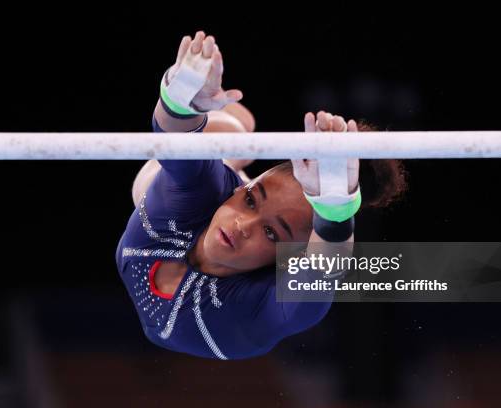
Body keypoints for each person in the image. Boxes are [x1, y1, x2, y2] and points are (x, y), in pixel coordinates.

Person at [116, 31, 406, 359]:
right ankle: (235, 133)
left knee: (202, 157)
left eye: (271, 232)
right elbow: (171, 136)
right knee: (177, 163)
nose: (242, 224)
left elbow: (323, 270)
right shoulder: (186, 202)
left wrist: (335, 210)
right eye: (251, 200)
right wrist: (179, 99)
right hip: (202, 201)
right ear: (241, 188)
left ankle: (238, 138)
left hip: (212, 221)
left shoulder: (257, 306)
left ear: (288, 258)